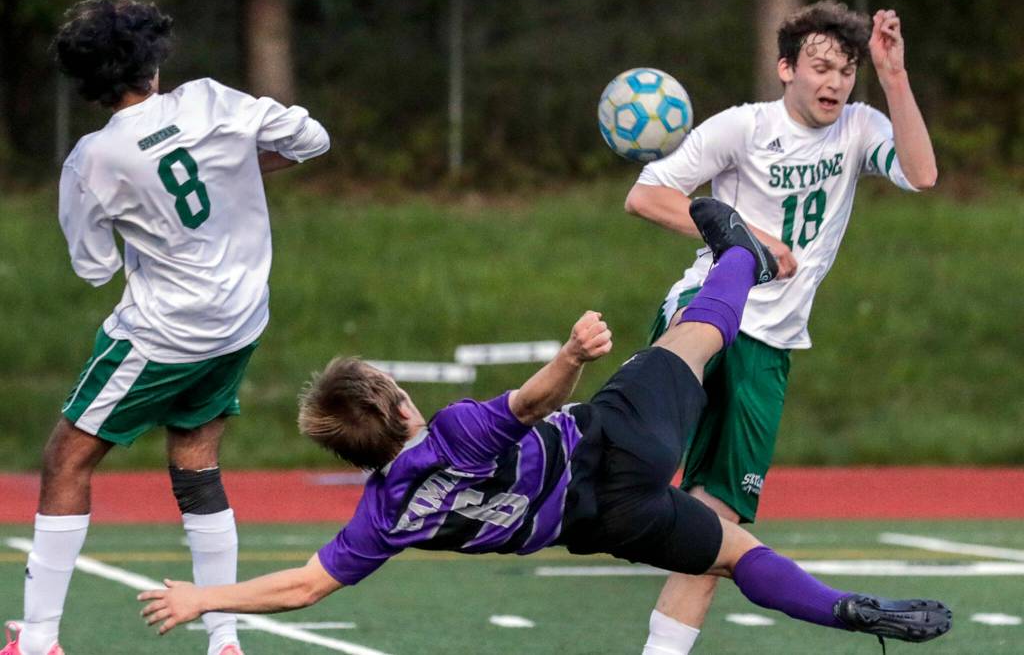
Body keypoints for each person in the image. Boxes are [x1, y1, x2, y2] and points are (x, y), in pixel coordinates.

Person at [137, 198, 951, 651]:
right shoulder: (451, 432)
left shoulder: (384, 511)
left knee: (736, 556)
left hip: (603, 520)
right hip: (615, 437)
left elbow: (307, 586)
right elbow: (526, 406)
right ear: (398, 406)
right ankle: (743, 252)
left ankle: (847, 609)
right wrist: (571, 355)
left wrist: (205, 596)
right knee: (697, 334)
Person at [1, 0, 329, 655]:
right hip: (239, 320)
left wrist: (140, 212)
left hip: (163, 333)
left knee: (67, 458)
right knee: (196, 462)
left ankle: (36, 642)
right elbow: (309, 138)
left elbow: (93, 268)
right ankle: (225, 639)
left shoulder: (94, 158)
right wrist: (237, 166)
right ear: (153, 57)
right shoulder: (212, 102)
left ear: (89, 81)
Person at [623, 1, 937, 654]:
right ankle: (562, 472)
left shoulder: (859, 127)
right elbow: (647, 195)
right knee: (632, 456)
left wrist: (894, 75)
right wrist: (745, 238)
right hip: (707, 310)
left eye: (847, 70)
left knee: (715, 527)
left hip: (771, 350)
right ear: (786, 67)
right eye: (821, 66)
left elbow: (922, 173)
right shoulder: (743, 127)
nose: (835, 81)